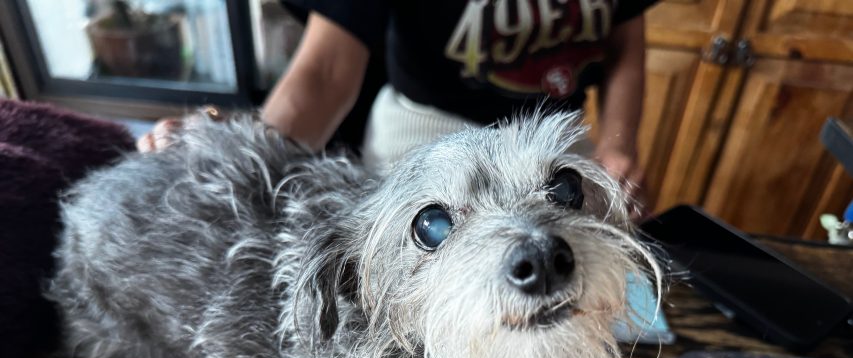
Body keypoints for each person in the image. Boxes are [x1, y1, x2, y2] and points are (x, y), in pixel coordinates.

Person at [142, 1, 656, 201]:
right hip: (429, 126)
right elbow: (324, 74)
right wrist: (240, 154)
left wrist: (618, 145)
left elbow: (625, 48)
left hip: (553, 134)